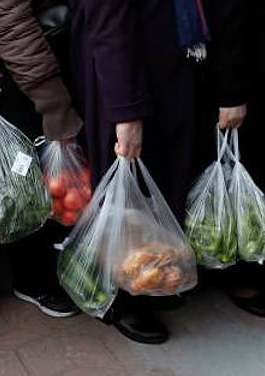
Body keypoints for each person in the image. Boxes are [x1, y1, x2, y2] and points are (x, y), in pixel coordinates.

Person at [69, 0, 208, 344]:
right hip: (124, 80)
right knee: (128, 199)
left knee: (157, 185)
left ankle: (152, 283)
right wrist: (126, 112)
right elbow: (107, 21)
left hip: (164, 68)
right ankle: (122, 297)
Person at [198, 0, 265, 318]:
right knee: (254, 175)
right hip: (255, 79)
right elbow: (227, 16)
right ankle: (243, 275)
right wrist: (231, 93)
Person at [0, 0, 82, 318]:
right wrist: (52, 100)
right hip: (29, 79)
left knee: (57, 183)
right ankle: (34, 280)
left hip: (52, 64)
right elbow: (10, 21)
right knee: (33, 183)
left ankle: (53, 273)